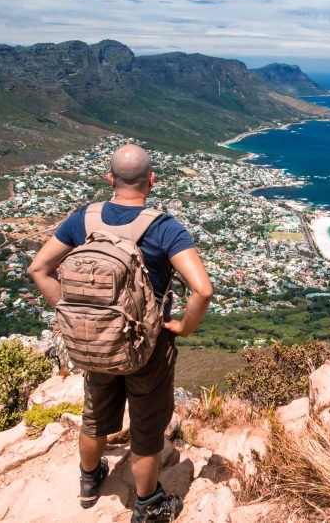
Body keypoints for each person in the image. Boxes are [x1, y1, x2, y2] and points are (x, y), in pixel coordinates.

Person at [29, 144, 214, 523]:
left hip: (94, 340)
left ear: (110, 179)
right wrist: (184, 326)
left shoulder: (84, 218)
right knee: (146, 429)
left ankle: (88, 480)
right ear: (152, 180)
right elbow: (203, 289)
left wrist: (73, 317)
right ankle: (148, 505)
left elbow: (39, 269)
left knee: (94, 415)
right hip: (148, 347)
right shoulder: (163, 227)